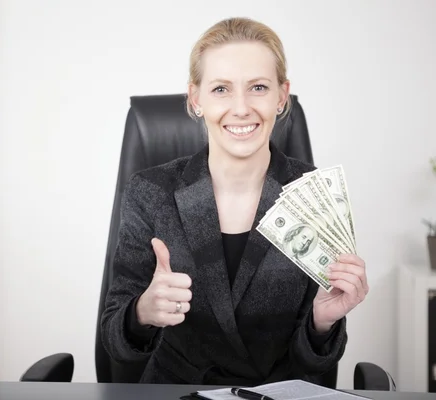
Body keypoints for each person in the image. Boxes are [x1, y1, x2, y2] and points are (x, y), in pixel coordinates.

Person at [100, 17, 369, 386]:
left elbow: (312, 364)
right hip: (178, 392)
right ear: (196, 99)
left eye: (258, 87)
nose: (241, 108)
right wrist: (142, 312)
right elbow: (115, 343)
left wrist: (322, 323)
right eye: (221, 89)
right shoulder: (151, 192)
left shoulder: (311, 193)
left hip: (277, 394)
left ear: (281, 96)